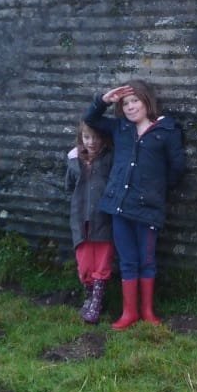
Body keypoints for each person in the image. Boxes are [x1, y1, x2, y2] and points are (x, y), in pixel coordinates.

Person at [83, 79, 185, 329]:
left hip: (149, 208)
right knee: (127, 260)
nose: (130, 107)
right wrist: (103, 101)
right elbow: (91, 119)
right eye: (125, 103)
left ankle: (148, 311)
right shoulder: (120, 129)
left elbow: (177, 168)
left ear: (146, 101)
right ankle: (129, 313)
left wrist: (156, 190)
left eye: (135, 101)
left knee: (146, 260)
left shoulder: (167, 131)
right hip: (119, 206)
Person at [66, 121, 115, 324]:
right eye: (87, 137)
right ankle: (88, 295)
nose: (92, 142)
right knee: (85, 264)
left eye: (96, 137)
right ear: (81, 139)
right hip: (81, 220)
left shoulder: (110, 159)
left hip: (103, 219)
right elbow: (69, 186)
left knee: (102, 262)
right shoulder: (74, 160)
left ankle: (97, 301)